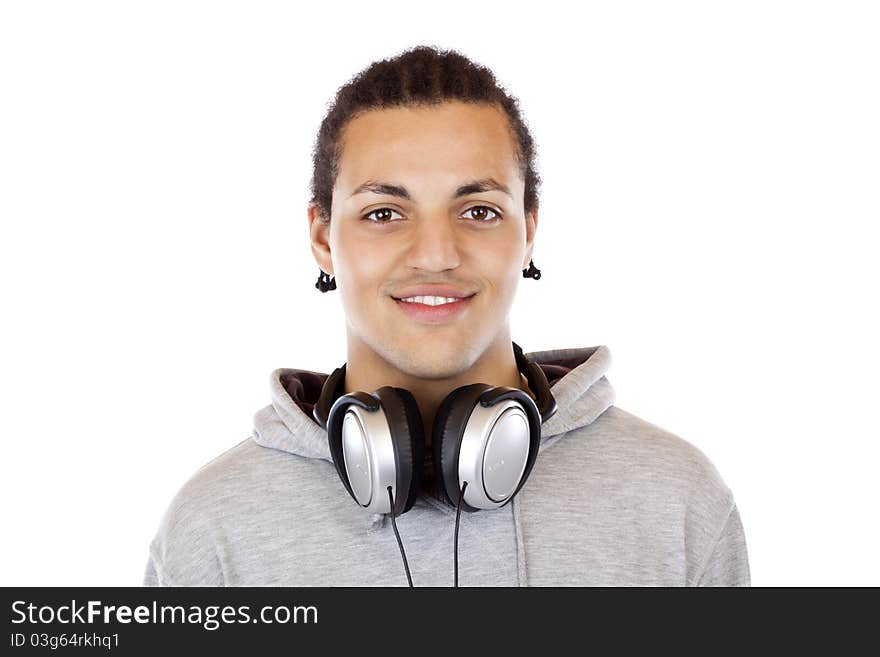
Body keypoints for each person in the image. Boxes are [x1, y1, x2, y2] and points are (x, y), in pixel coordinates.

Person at [143, 45, 750, 587]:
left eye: (479, 210)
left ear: (529, 232)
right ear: (324, 238)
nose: (436, 255)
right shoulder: (214, 531)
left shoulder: (679, 503)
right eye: (384, 213)